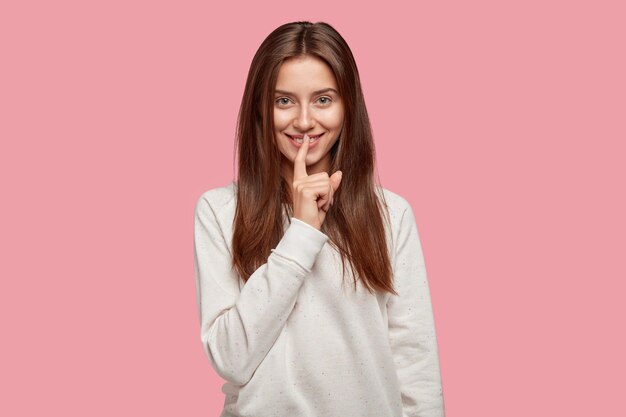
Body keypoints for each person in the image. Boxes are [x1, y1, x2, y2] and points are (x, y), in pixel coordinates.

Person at [193, 21, 445, 417]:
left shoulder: (390, 214)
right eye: (284, 101)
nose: (305, 121)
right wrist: (302, 232)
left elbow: (416, 364)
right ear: (260, 110)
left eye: (323, 100)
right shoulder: (220, 211)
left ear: (348, 108)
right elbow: (229, 357)